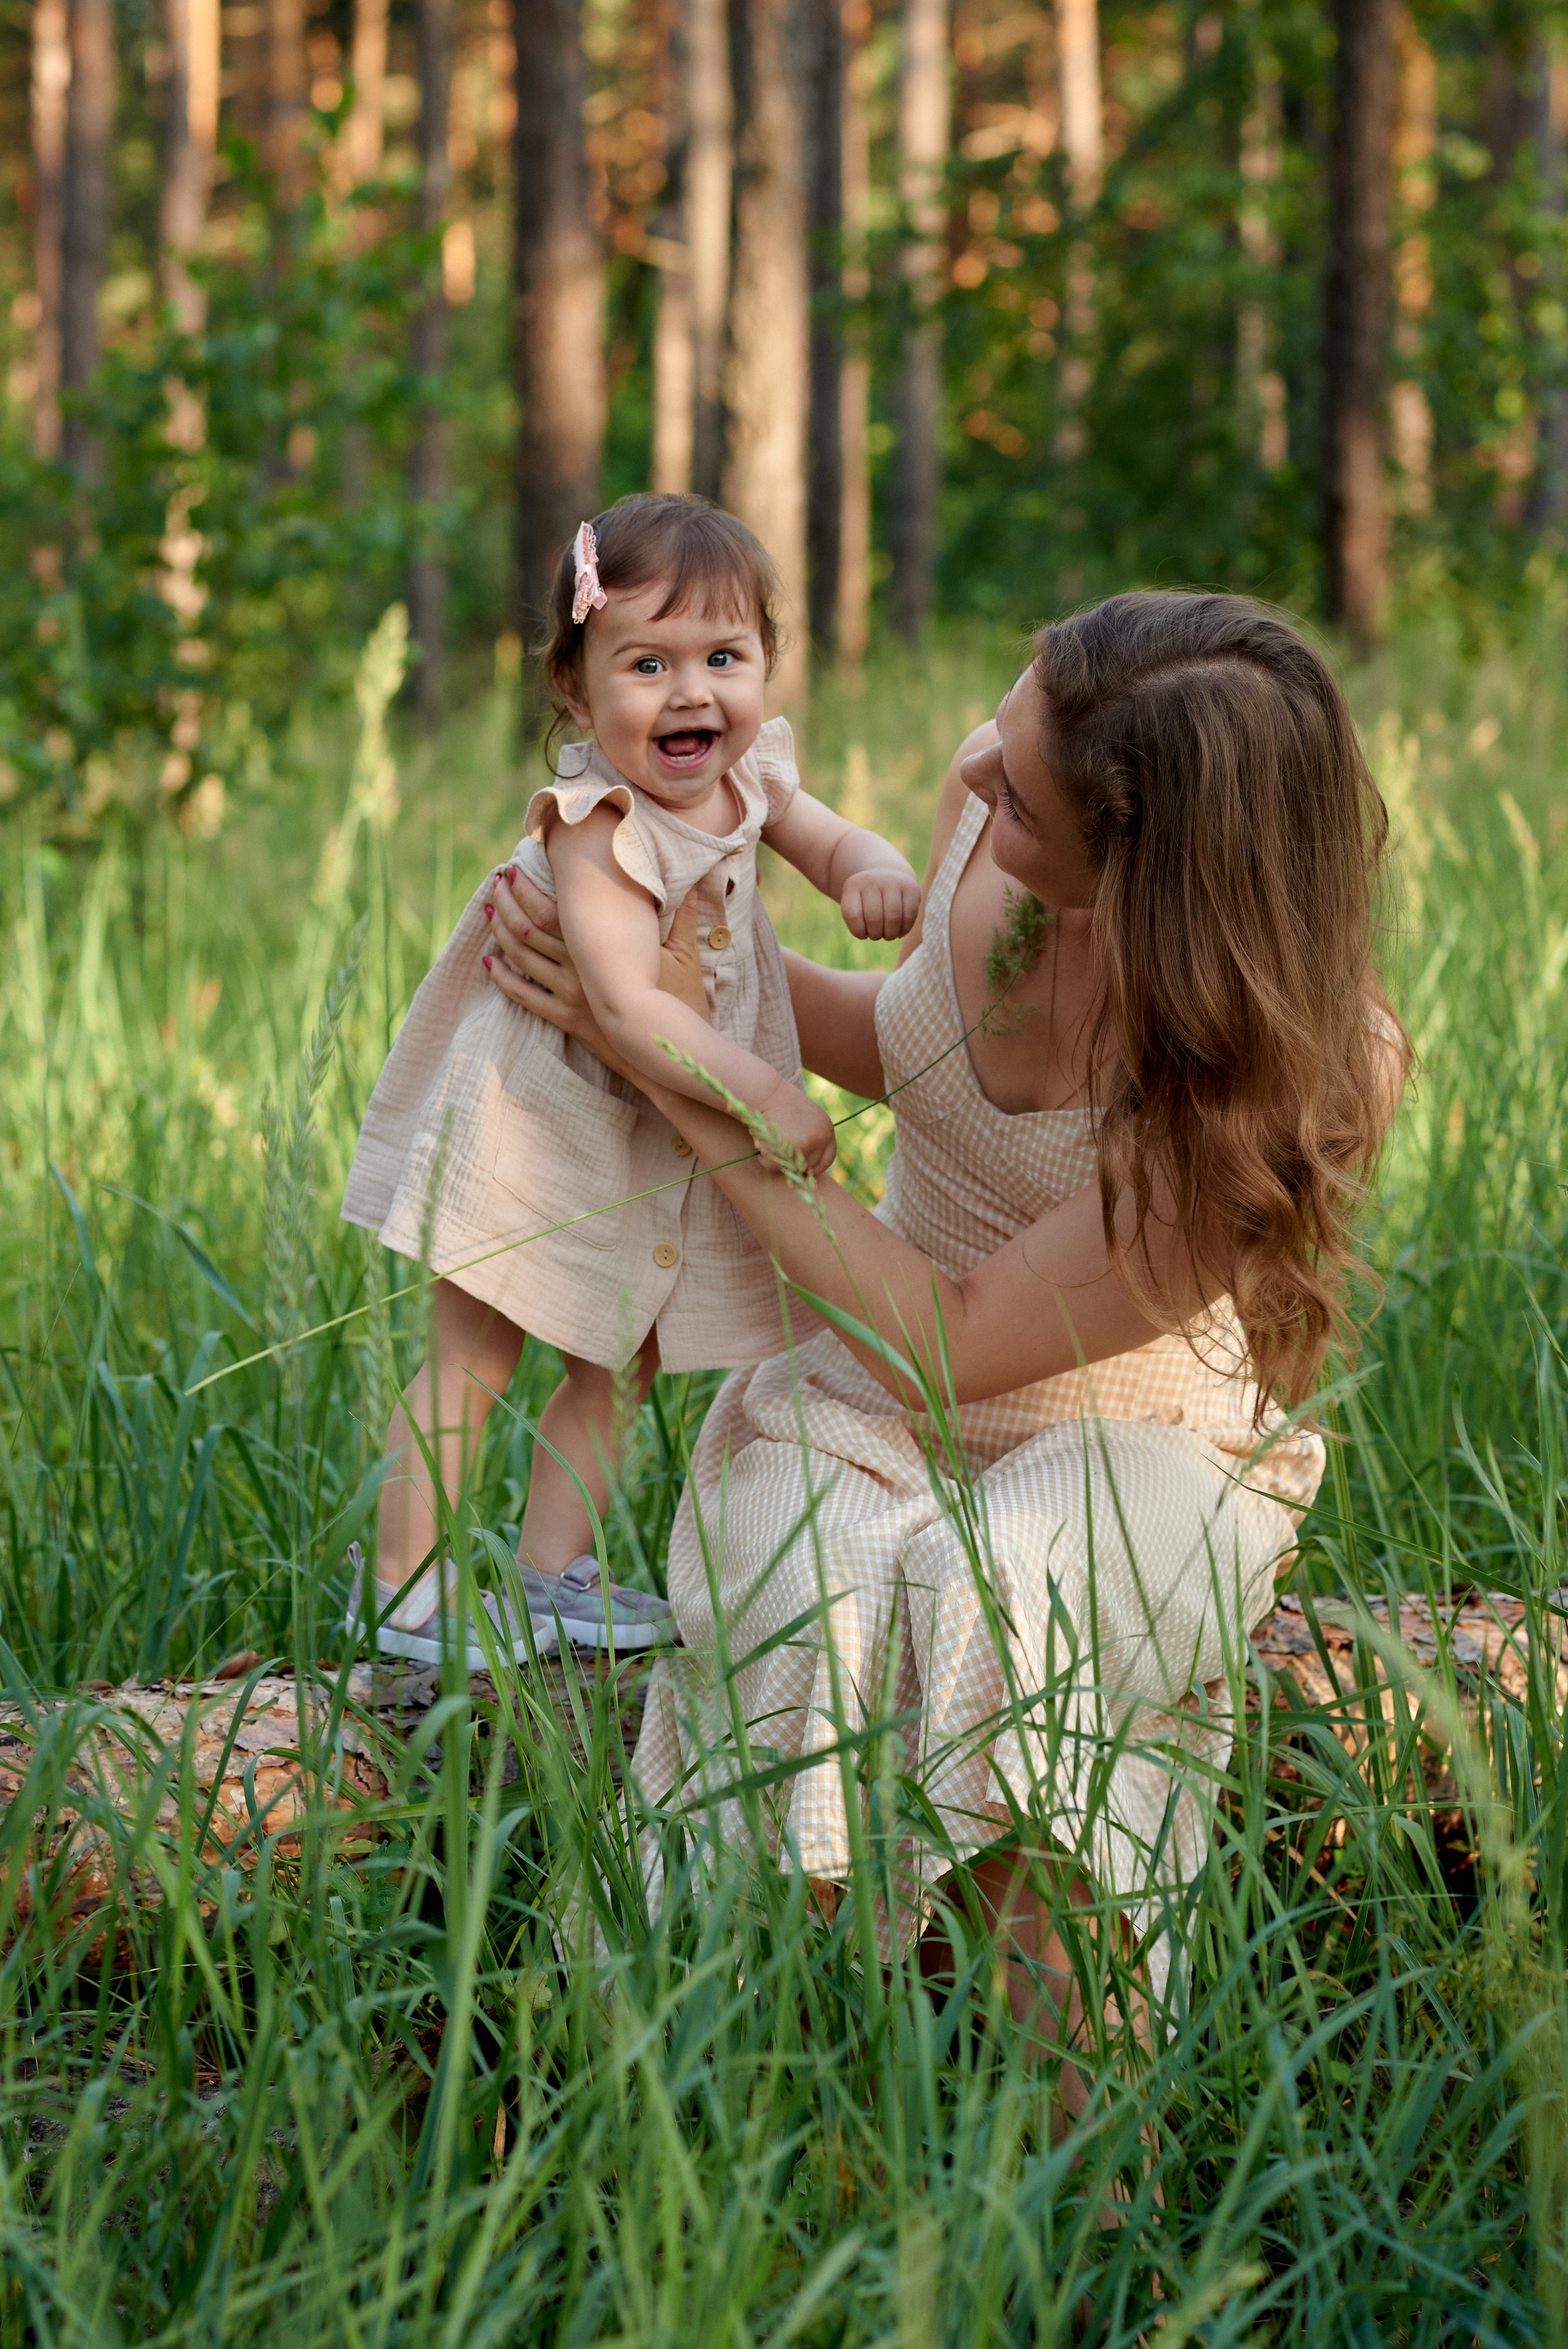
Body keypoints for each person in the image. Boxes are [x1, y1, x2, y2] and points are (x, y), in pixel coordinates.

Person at [483, 588, 1407, 2049]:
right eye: (1006, 720)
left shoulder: (1289, 1083)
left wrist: (686, 1080)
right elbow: (905, 1039)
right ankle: (738, 2081)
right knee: (813, 1567)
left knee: (1016, 1591)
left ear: (1150, 876)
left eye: (1022, 793)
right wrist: (652, 965)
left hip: (1124, 1433)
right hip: (862, 1399)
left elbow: (951, 1338)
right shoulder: (998, 806)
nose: (974, 775)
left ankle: (1079, 2167)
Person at [341, 494, 921, 1667]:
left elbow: (833, 839)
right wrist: (766, 1093)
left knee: (622, 1356)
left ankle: (554, 1577)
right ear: (577, 687)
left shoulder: (752, 779)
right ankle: (398, 1585)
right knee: (478, 1351)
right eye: (645, 663)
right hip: (539, 1115)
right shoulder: (595, 823)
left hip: (644, 1129)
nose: (691, 692)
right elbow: (626, 1002)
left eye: (724, 657)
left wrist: (876, 870)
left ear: (766, 665)